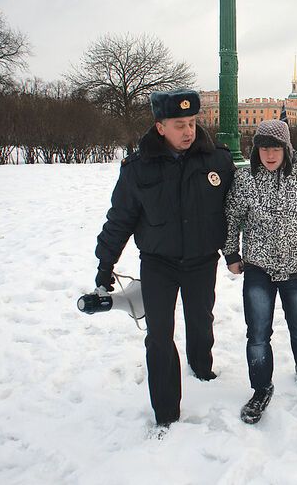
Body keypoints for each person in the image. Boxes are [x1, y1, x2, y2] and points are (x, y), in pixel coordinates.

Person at [93, 89, 235, 430]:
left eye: (191, 122)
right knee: (159, 335)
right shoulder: (138, 169)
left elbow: (237, 209)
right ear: (160, 127)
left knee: (201, 321)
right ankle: (166, 411)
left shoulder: (217, 160)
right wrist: (105, 264)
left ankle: (201, 368)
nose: (187, 131)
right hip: (159, 263)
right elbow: (120, 219)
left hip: (202, 261)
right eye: (178, 125)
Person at [224, 120, 297, 424]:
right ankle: (260, 388)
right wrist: (232, 254)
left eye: (275, 148)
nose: (269, 155)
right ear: (255, 150)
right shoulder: (245, 180)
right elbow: (232, 218)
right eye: (263, 148)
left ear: (286, 149)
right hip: (258, 269)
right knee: (258, 334)